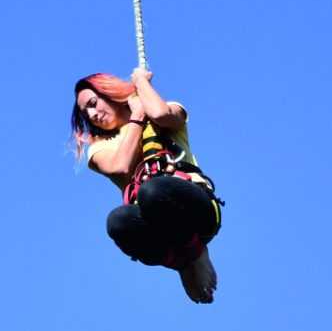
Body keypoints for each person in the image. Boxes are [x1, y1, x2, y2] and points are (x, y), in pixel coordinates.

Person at [71, 68, 222, 304]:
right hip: (158, 226)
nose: (92, 114)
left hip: (194, 209)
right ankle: (182, 264)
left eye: (93, 103)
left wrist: (140, 82)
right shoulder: (99, 148)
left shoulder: (163, 108)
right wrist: (137, 118)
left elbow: (161, 113)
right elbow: (120, 167)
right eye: (85, 112)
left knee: (153, 190)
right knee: (117, 220)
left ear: (110, 94)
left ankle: (196, 253)